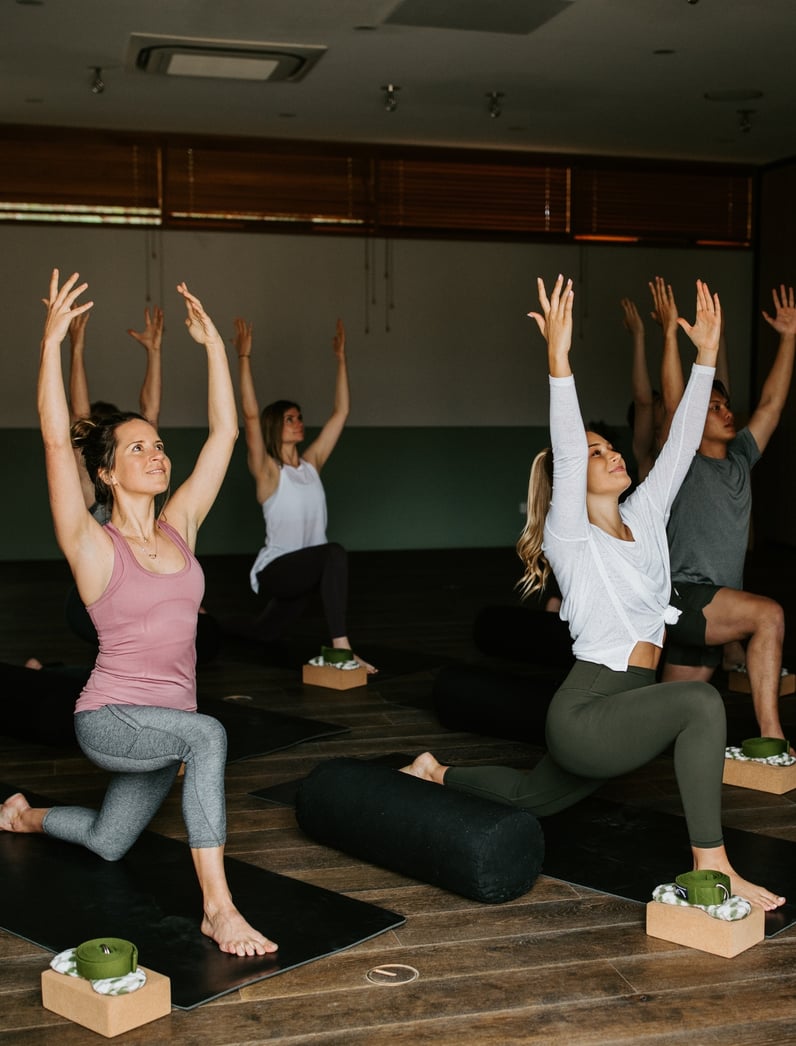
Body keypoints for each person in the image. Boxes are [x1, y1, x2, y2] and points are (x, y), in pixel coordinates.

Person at [403, 274, 785, 911]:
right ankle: (714, 869)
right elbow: (567, 450)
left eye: (610, 447)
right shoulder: (571, 539)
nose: (610, 455)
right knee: (699, 702)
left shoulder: (647, 516)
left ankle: (434, 770)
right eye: (596, 452)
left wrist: (707, 356)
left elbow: (681, 441)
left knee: (531, 797)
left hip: (626, 706)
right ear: (572, 481)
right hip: (587, 711)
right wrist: (559, 359)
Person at [0, 270, 277, 957]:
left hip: (164, 728)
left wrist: (214, 348)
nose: (156, 454)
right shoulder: (92, 545)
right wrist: (51, 344)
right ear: (106, 472)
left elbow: (224, 434)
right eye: (137, 448)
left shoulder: (181, 526)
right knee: (208, 736)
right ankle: (219, 909)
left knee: (108, 841)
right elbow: (54, 440)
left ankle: (22, 816)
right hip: (111, 719)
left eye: (158, 445)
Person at [662, 284, 796, 743]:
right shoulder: (683, 463)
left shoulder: (740, 457)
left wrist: (789, 338)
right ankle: (772, 739)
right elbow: (672, 400)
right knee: (769, 615)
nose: (725, 412)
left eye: (725, 405)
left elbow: (772, 405)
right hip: (685, 597)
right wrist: (671, 335)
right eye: (713, 407)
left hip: (712, 608)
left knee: (663, 721)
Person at [231, 315, 375, 673]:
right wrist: (243, 358)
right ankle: (341, 649)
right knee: (334, 553)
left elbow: (341, 412)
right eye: (291, 419)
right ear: (276, 425)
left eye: (299, 417)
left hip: (306, 573)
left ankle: (217, 628)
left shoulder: (311, 464)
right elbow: (250, 416)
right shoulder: (268, 471)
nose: (299, 423)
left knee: (262, 635)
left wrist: (341, 359)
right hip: (276, 571)